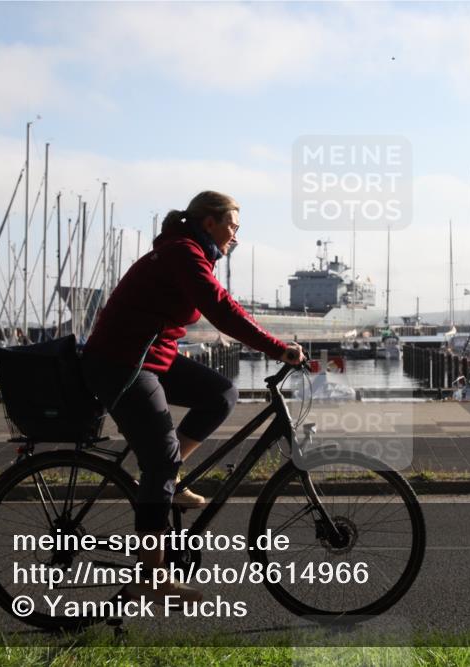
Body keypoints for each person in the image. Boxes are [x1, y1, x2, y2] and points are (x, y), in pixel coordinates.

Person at [82, 190, 303, 604]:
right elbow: (222, 309)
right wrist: (278, 348)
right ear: (209, 223)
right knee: (159, 460)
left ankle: (171, 477)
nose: (235, 235)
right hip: (121, 363)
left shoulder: (188, 252)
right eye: (233, 226)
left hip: (150, 359)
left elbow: (215, 307)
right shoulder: (184, 253)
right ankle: (152, 579)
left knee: (221, 393)